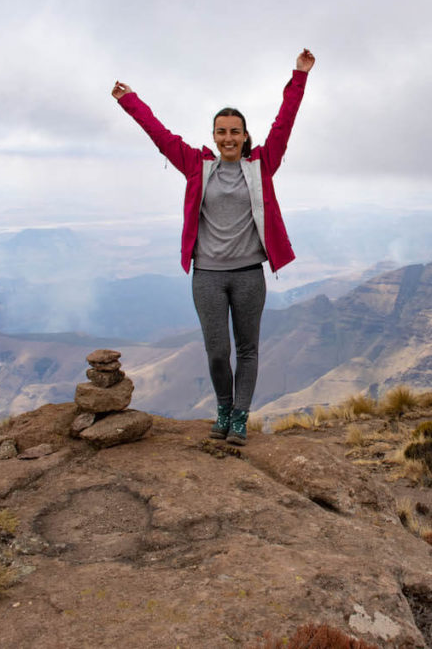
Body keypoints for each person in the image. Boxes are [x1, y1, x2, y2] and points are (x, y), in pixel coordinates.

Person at [111, 49, 315, 445]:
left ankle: (240, 417)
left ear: (244, 135)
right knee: (218, 351)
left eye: (234, 131)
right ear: (214, 136)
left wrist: (300, 75)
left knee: (249, 349)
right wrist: (130, 101)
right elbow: (160, 135)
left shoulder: (262, 164)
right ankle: (223, 407)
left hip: (249, 275)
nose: (228, 138)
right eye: (221, 131)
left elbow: (284, 122)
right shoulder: (195, 165)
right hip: (207, 275)